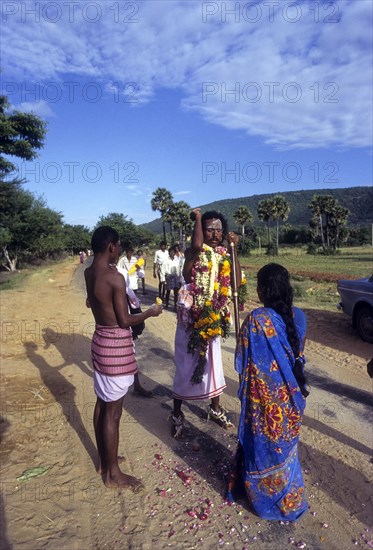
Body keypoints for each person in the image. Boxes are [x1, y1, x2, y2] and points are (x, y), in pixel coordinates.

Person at [227, 263, 309, 521]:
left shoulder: (255, 320)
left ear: (262, 291)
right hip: (291, 401)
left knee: (261, 448)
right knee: (285, 451)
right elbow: (299, 357)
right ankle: (288, 497)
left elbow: (242, 362)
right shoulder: (300, 317)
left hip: (262, 404)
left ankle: (262, 499)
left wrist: (250, 391)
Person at [84, 226, 162, 489]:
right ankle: (113, 474)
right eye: (117, 246)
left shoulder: (89, 272)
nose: (118, 250)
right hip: (115, 346)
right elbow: (125, 320)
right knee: (113, 412)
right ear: (111, 247)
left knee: (102, 402)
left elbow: (94, 303)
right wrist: (150, 313)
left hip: (99, 343)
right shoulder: (114, 278)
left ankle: (104, 461)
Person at [170, 208, 241, 438]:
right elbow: (199, 245)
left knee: (214, 367)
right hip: (191, 322)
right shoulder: (193, 253)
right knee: (185, 368)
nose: (214, 233)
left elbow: (237, 283)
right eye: (209, 229)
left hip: (214, 320)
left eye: (218, 229)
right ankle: (176, 414)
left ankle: (215, 408)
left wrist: (234, 250)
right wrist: (198, 217)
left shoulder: (223, 255)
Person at [163, 246, 182, 310]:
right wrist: (163, 280)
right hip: (168, 277)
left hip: (175, 277)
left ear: (175, 253)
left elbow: (179, 270)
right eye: (171, 252)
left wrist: (179, 279)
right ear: (169, 253)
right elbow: (163, 270)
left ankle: (175, 306)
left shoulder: (177, 261)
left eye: (173, 252)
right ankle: (167, 304)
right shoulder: (166, 261)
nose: (172, 253)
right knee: (168, 291)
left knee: (175, 292)